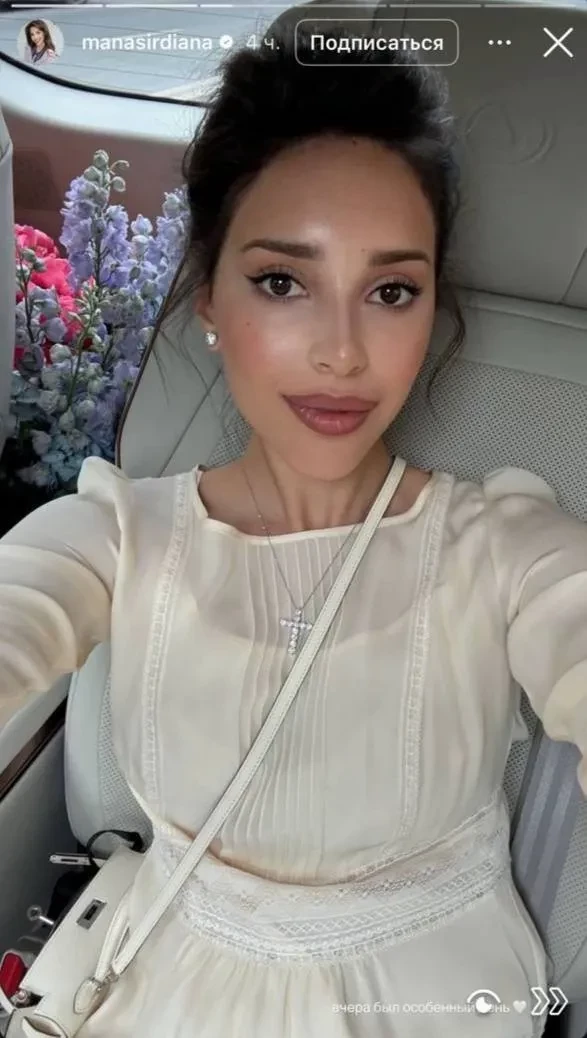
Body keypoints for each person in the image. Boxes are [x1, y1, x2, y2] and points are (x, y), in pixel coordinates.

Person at [1, 7, 586, 1037]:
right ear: (208, 298)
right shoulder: (116, 538)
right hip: (159, 995)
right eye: (282, 282)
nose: (342, 352)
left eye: (390, 291)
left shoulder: (501, 549)